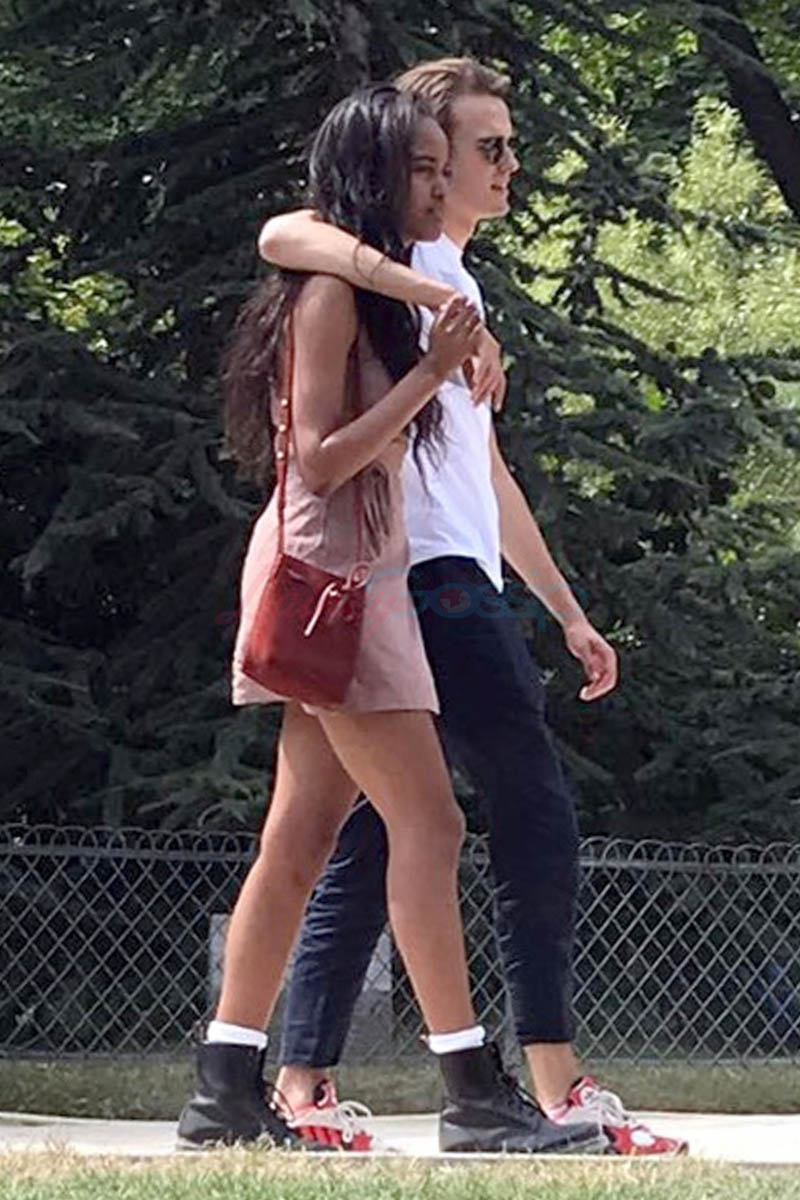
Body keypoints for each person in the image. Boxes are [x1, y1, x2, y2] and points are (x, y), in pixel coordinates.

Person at [257, 57, 688, 1158]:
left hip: (458, 576)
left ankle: (301, 1077)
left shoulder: (452, 279)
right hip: (423, 579)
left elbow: (482, 474)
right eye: (479, 150)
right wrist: (432, 302)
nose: (505, 168)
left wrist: (566, 609)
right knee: (527, 814)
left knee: (379, 834)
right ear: (423, 164)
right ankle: (550, 1080)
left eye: (504, 148)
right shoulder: (400, 265)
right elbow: (283, 234)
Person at [176, 82, 604, 1155]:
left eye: (439, 167)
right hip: (341, 582)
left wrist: (438, 344)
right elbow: (320, 461)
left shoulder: (393, 291)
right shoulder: (331, 294)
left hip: (351, 575)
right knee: (431, 824)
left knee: (302, 837)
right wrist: (429, 373)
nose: (437, 184)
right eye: (421, 168)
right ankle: (471, 1093)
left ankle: (224, 1087)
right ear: (370, 176)